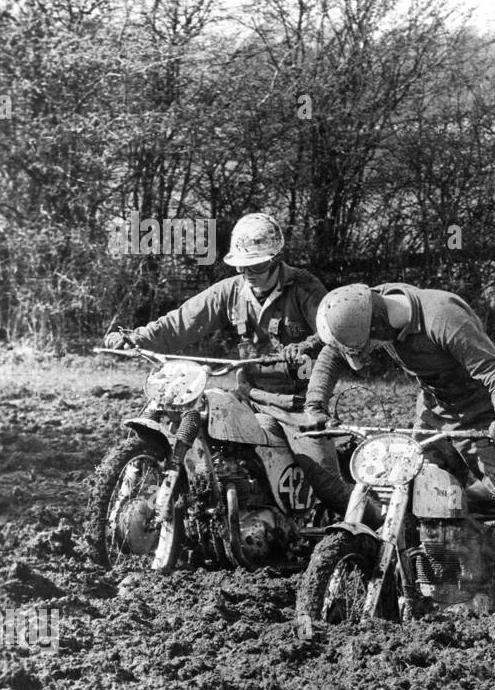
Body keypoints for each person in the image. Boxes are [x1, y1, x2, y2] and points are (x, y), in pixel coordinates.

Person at [301, 282, 495, 603]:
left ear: (378, 325)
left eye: (370, 346)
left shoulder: (442, 317)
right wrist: (315, 405)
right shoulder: (365, 305)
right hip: (436, 413)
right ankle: (423, 580)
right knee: (409, 492)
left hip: (489, 416)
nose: (373, 352)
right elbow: (333, 350)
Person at [102, 213, 350, 514]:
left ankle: (375, 529)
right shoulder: (231, 291)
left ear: (275, 260)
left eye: (257, 265)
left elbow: (334, 331)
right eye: (242, 267)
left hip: (297, 406)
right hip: (249, 398)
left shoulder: (304, 288)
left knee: (327, 486)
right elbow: (182, 322)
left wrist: (305, 345)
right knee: (200, 419)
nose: (250, 274)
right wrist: (136, 338)